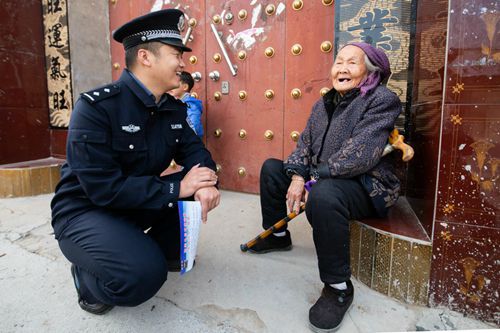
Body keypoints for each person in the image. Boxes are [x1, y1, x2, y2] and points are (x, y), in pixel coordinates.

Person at [50, 9, 220, 315]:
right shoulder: (97, 108)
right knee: (143, 276)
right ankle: (88, 277)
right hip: (86, 210)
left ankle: (135, 248)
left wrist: (206, 183)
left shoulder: (171, 110)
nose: (183, 63)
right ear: (145, 57)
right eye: (175, 54)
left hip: (132, 204)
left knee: (187, 205)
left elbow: (196, 153)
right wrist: (177, 188)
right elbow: (103, 189)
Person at [249, 43, 402, 332]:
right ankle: (278, 235)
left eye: (352, 63)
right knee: (272, 168)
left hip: (367, 185)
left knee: (323, 193)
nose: (341, 68)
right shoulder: (323, 104)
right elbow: (304, 145)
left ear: (370, 72)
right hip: (324, 176)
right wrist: (297, 176)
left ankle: (338, 286)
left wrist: (313, 178)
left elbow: (362, 155)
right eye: (338, 61)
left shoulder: (382, 100)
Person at [170, 71, 204, 138]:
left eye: (175, 83)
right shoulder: (174, 102)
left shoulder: (191, 105)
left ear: (185, 87)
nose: (172, 86)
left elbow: (194, 126)